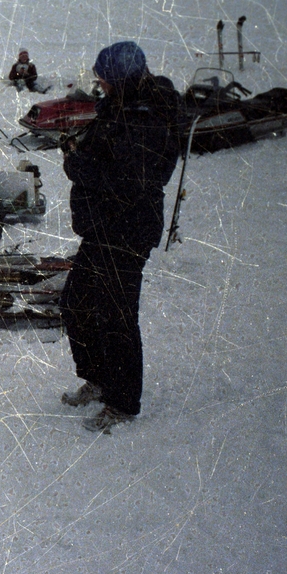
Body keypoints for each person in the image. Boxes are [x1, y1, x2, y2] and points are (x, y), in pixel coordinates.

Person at [59, 40, 181, 433]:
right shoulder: (125, 106)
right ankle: (99, 378)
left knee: (117, 317)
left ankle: (123, 402)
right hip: (104, 227)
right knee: (76, 303)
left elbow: (129, 182)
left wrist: (77, 165)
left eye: (104, 78)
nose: (100, 84)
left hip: (127, 230)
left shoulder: (147, 119)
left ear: (120, 80)